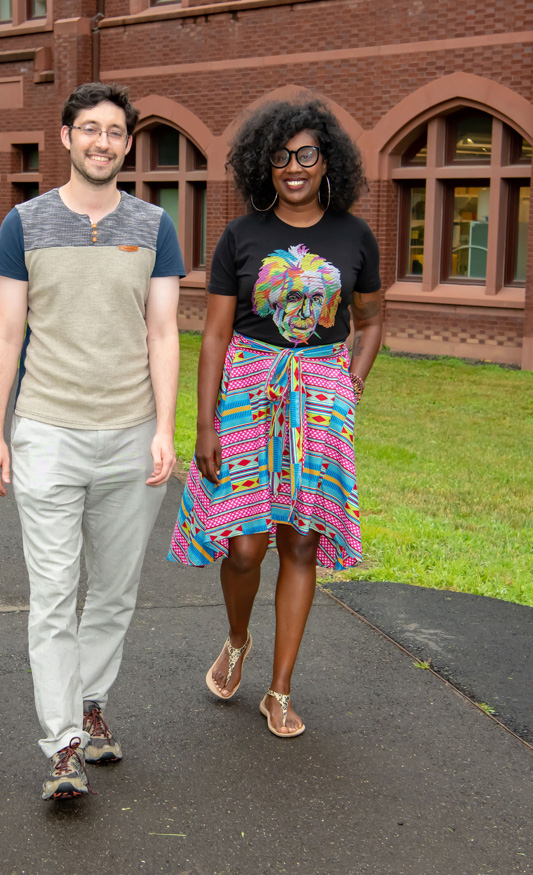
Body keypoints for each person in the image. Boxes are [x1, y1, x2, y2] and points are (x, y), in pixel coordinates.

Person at [0, 83, 184, 800]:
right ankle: (63, 742)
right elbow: (7, 334)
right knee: (55, 592)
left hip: (129, 434)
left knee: (115, 592)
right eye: (89, 129)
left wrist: (164, 427)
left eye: (116, 132)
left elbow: (163, 331)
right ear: (65, 137)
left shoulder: (154, 224)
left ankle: (92, 701)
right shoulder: (24, 224)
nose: (103, 142)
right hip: (47, 432)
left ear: (128, 143)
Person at [168, 98, 384, 738]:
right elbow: (212, 337)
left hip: (319, 397)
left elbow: (370, 321)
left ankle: (280, 690)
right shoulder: (241, 235)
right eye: (281, 156)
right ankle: (238, 638)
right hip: (247, 392)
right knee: (244, 545)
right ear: (265, 165)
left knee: (302, 540)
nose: (294, 167)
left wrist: (353, 379)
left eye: (307, 155)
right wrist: (204, 424)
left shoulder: (354, 236)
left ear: (328, 164)